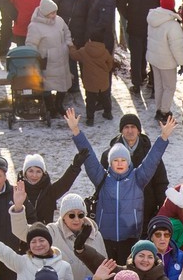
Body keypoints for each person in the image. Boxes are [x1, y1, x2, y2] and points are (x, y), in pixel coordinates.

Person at [68, 110, 176, 263]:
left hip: (130, 238)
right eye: (115, 160)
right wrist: (76, 131)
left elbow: (153, 159)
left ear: (129, 163)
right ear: (110, 163)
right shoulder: (102, 178)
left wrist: (163, 137)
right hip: (105, 237)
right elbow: (89, 157)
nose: (119, 163)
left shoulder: (138, 178)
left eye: (123, 160)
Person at [115, 0, 166, 92]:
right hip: (153, 24)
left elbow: (119, 3)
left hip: (135, 24)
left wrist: (128, 15)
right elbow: (164, 2)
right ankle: (154, 82)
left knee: (136, 55)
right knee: (153, 53)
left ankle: (137, 83)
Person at [24, 0, 73, 120]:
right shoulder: (35, 26)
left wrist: (68, 44)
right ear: (45, 13)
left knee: (63, 83)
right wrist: (35, 60)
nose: (54, 15)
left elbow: (67, 32)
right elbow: (31, 45)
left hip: (62, 58)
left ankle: (59, 104)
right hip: (46, 60)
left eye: (55, 12)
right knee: (47, 85)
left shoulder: (59, 20)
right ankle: (50, 107)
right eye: (51, 13)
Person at [145, 0, 183, 120]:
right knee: (169, 87)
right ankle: (164, 112)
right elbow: (177, 47)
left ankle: (159, 109)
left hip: (154, 59)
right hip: (167, 61)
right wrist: (182, 62)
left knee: (158, 85)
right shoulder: (172, 25)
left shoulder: (153, 18)